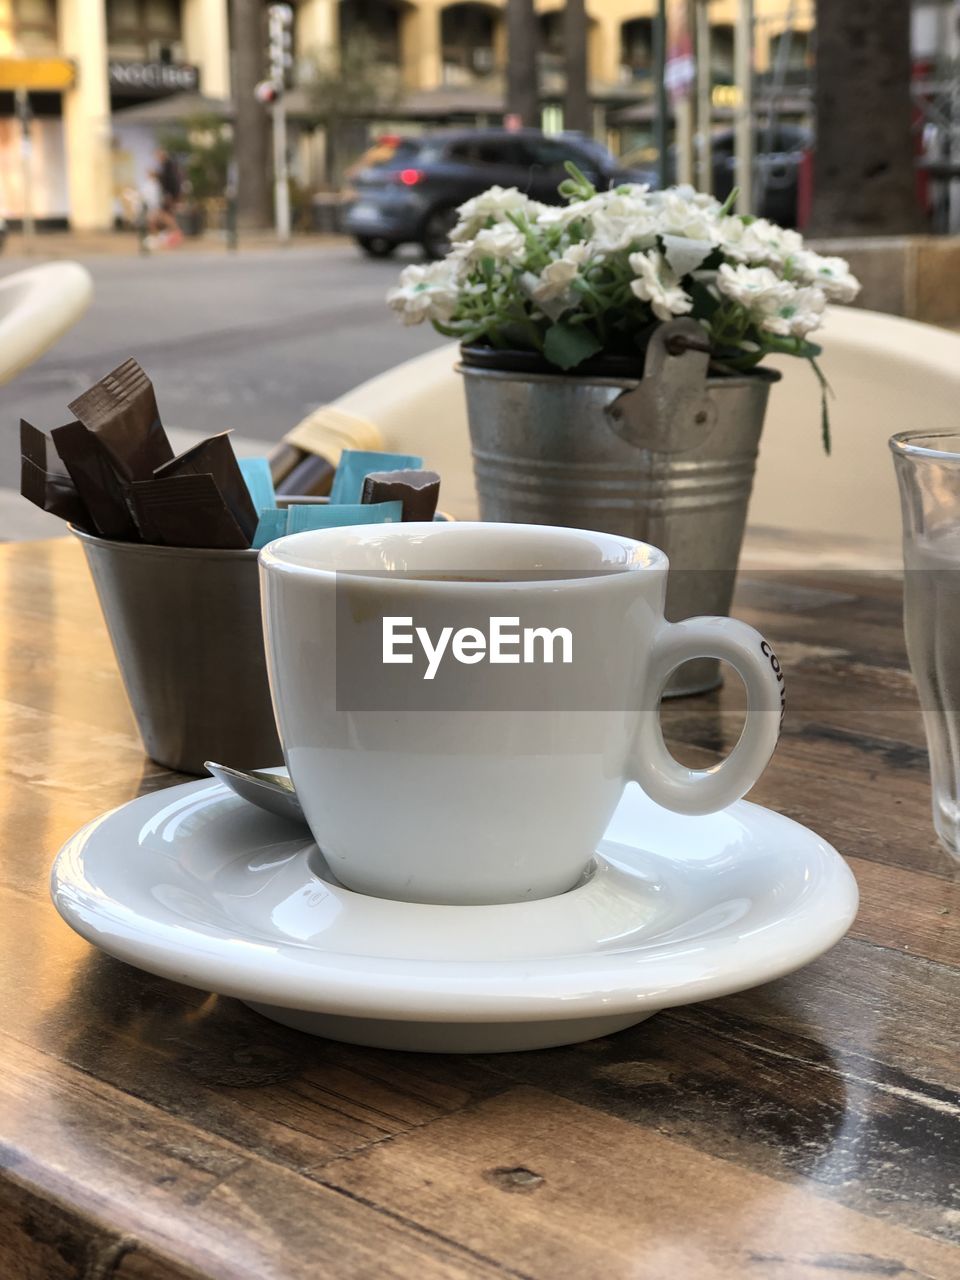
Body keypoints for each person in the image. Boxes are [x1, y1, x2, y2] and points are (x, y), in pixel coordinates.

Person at [147, 149, 184, 247]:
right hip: (169, 195)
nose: (156, 158)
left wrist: (170, 196)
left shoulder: (169, 166)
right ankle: (167, 236)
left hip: (169, 195)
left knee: (164, 216)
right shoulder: (167, 166)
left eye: (157, 156)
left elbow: (172, 181)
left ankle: (175, 234)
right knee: (163, 216)